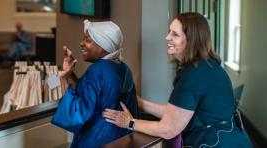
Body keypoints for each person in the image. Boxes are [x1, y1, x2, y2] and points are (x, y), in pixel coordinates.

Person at [102, 12, 252, 147]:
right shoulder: (207, 65)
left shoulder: (194, 76)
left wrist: (129, 122)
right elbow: (178, 113)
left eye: (175, 34)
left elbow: (168, 129)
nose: (167, 37)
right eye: (169, 32)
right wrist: (140, 103)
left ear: (191, 40)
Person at [51, 20, 140, 148]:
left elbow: (76, 115)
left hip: (96, 141)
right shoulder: (124, 69)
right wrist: (67, 74)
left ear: (103, 44)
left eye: (87, 40)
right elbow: (84, 91)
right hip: (120, 140)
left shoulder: (97, 71)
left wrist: (60, 77)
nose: (81, 43)